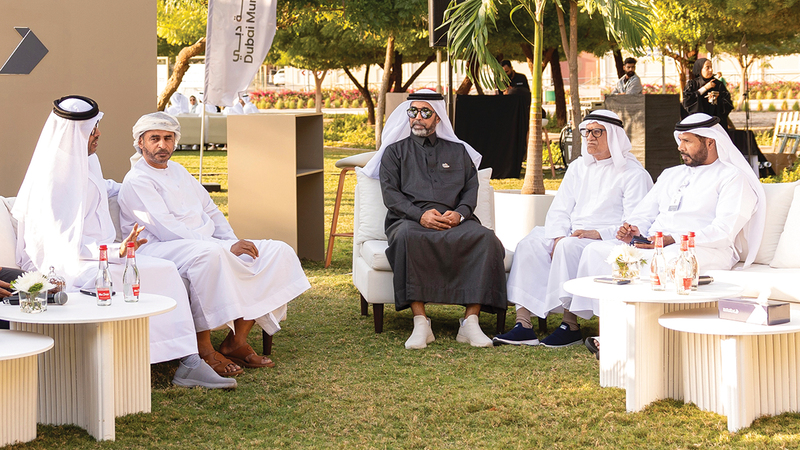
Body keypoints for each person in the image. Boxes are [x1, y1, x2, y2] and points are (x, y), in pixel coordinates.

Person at [11, 96, 235, 389]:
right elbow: (59, 243)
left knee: (165, 269)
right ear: (75, 134)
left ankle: (186, 358)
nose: (98, 135)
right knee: (148, 272)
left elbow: (105, 189)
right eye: (92, 130)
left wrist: (141, 184)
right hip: (69, 263)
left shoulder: (87, 162)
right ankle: (168, 357)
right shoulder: (53, 180)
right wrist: (114, 250)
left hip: (103, 254)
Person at [118, 112, 311, 375]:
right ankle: (204, 349)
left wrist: (230, 241)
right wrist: (224, 248)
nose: (162, 145)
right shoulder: (137, 180)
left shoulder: (178, 171)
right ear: (140, 142)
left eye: (168, 138)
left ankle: (236, 341)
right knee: (210, 255)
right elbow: (166, 229)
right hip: (159, 248)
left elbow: (210, 209)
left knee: (277, 251)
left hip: (203, 243)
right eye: (155, 138)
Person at [570, 113, 766, 318]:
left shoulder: (732, 177)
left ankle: (647, 323)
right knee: (595, 251)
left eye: (687, 141)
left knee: (669, 260)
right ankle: (612, 321)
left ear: (710, 142)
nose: (680, 147)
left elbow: (724, 231)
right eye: (679, 140)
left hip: (705, 248)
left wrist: (672, 239)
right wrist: (634, 230)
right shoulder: (671, 174)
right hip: (656, 243)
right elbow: (644, 213)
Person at [361, 90, 507, 350]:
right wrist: (420, 215)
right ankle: (421, 322)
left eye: (425, 112)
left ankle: (470, 322)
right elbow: (391, 195)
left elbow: (470, 189)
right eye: (413, 111)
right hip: (409, 220)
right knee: (407, 238)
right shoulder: (395, 152)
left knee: (486, 239)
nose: (418, 117)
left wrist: (459, 214)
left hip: (455, 220)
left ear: (438, 117)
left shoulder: (458, 151)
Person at [497, 111, 652, 347]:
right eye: (587, 132)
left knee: (569, 247)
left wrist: (598, 233)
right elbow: (560, 207)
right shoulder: (579, 166)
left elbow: (636, 221)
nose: (590, 137)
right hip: (571, 231)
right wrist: (558, 234)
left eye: (597, 132)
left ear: (614, 136)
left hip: (607, 238)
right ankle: (523, 324)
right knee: (529, 244)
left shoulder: (633, 173)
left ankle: (570, 325)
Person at [683, 58, 734, 129]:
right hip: (698, 124)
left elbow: (728, 104)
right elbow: (687, 102)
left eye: (711, 67)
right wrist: (705, 88)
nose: (711, 70)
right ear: (700, 69)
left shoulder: (718, 85)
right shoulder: (692, 84)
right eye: (707, 68)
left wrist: (716, 100)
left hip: (716, 124)